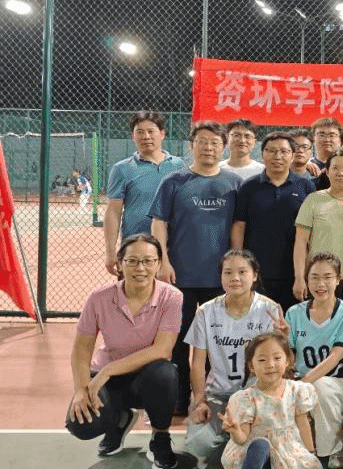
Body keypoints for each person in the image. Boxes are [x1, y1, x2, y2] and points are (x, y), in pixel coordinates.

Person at [66, 234, 182, 469]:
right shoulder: (98, 298)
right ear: (120, 264)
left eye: (148, 261)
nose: (141, 268)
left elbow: (162, 349)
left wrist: (108, 370)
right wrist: (80, 389)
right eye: (132, 261)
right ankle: (119, 421)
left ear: (159, 264)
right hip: (108, 382)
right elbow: (81, 349)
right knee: (81, 424)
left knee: (165, 373)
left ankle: (160, 436)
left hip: (148, 379)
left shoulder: (172, 297)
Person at [150, 120, 242, 415]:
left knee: (218, 340)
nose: (208, 148)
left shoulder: (234, 183)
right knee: (178, 340)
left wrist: (235, 268)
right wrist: (163, 261)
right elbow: (159, 223)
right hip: (180, 275)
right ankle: (179, 396)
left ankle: (214, 396)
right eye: (202, 141)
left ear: (223, 147)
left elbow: (238, 227)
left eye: (215, 142)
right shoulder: (174, 181)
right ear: (191, 145)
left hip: (220, 279)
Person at [183, 249, 281, 468]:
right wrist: (199, 401)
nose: (235, 278)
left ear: (255, 275)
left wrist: (282, 340)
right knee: (199, 445)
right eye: (228, 272)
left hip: (256, 394)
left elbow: (277, 368)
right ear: (220, 277)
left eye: (242, 272)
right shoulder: (206, 312)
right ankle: (232, 446)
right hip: (217, 393)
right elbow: (197, 363)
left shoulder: (269, 310)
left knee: (265, 438)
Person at [281, 252, 343, 469]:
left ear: (338, 279)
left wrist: (300, 386)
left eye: (327, 277)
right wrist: (283, 341)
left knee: (320, 387)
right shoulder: (294, 313)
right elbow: (289, 359)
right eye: (314, 277)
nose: (320, 284)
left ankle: (333, 451)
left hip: (341, 386)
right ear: (306, 280)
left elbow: (336, 356)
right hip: (301, 384)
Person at [231, 132, 316, 311]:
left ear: (292, 155)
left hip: (294, 271)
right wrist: (238, 261)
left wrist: (304, 272)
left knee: (290, 321)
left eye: (284, 151)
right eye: (271, 151)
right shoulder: (249, 187)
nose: (277, 156)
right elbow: (239, 225)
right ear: (262, 154)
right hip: (257, 270)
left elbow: (312, 230)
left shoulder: (305, 186)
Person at [219, 331, 319, 469]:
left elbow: (303, 424)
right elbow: (242, 439)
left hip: (288, 452)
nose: (270, 364)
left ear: (287, 361)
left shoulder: (296, 390)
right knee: (260, 445)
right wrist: (235, 432)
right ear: (251, 366)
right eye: (262, 360)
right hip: (257, 455)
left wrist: (311, 452)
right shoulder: (247, 398)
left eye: (277, 358)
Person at [104, 110, 187, 275]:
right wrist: (110, 251)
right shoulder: (122, 169)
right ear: (132, 136)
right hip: (135, 249)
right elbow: (114, 211)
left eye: (151, 131)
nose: (146, 136)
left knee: (171, 292)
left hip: (173, 249)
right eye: (140, 132)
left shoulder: (179, 166)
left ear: (162, 134)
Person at [293, 150, 343, 304]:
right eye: (335, 168)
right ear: (327, 172)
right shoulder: (313, 200)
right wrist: (299, 278)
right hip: (318, 279)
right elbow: (301, 242)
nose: (341, 173)